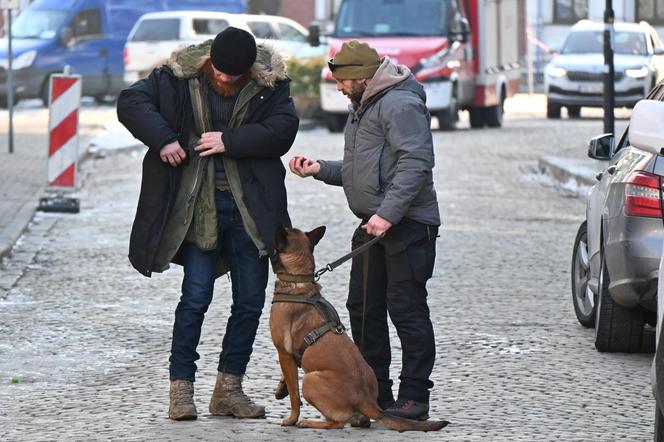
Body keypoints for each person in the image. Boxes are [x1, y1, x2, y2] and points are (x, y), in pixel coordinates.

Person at [117, 27, 299, 421]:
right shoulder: (176, 77)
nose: (226, 80)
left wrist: (229, 141)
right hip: (198, 208)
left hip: (251, 210)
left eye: (235, 75)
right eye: (220, 72)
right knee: (195, 299)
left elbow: (282, 131)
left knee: (249, 302)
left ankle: (228, 391)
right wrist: (164, 139)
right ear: (208, 62)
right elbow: (131, 102)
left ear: (250, 69)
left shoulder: (273, 85)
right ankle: (180, 392)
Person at [289, 40, 441, 422]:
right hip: (373, 226)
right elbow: (365, 172)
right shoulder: (365, 105)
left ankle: (414, 397)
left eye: (341, 81)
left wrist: (387, 215)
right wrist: (319, 169)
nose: (338, 88)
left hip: (406, 226)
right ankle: (376, 393)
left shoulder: (400, 104)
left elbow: (416, 163)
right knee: (364, 309)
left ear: (360, 77)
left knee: (406, 311)